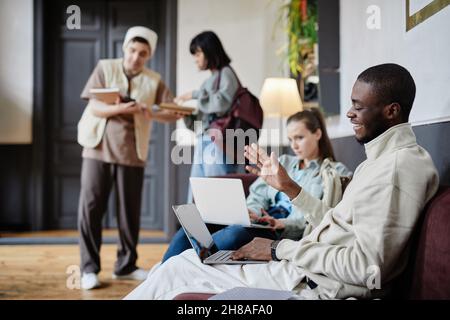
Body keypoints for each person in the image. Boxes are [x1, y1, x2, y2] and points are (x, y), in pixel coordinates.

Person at [124, 63, 439, 300]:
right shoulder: (379, 162)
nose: (349, 113)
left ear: (391, 111)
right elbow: (338, 226)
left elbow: (367, 268)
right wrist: (289, 189)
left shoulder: (396, 169)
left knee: (179, 271)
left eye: (358, 106)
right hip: (301, 269)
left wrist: (279, 248)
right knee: (183, 262)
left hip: (309, 285)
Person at [161, 108, 352, 263]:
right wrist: (251, 213)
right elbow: (256, 196)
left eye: (299, 137)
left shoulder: (334, 173)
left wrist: (281, 223)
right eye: (290, 139)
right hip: (261, 220)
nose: (294, 145)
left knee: (233, 235)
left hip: (281, 228)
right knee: (194, 226)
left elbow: (321, 216)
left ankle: (187, 265)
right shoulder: (284, 160)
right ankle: (164, 273)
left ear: (317, 133)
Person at [77, 26, 183, 290]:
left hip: (132, 152)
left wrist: (152, 113)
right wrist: (121, 108)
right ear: (125, 48)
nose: (136, 57)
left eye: (143, 53)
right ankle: (88, 269)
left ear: (149, 55)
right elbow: (94, 105)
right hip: (98, 147)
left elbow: (172, 113)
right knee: (90, 209)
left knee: (129, 213)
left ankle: (126, 266)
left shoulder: (154, 80)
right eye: (133, 50)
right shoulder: (105, 67)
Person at [174, 31, 244, 202]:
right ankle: (195, 229)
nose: (195, 59)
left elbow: (222, 104)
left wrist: (194, 94)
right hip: (206, 140)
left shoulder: (226, 74)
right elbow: (204, 121)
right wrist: (186, 116)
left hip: (219, 142)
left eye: (198, 53)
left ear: (209, 51)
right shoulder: (211, 80)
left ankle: (215, 229)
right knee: (198, 193)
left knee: (216, 194)